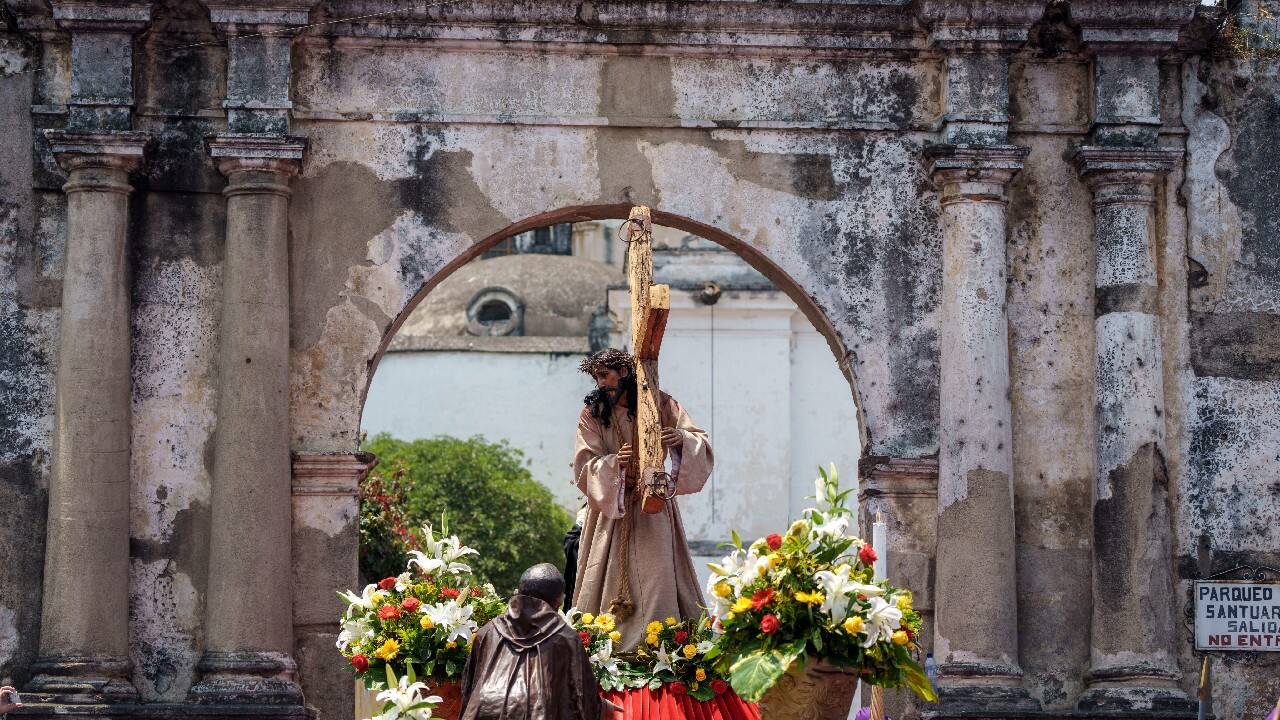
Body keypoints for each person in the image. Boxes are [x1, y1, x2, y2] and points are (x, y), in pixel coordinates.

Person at [572, 348, 713, 650]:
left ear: (624, 373)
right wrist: (613, 463)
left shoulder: (660, 403)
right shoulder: (593, 413)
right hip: (613, 508)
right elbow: (584, 464)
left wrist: (680, 440)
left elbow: (699, 440)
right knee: (606, 580)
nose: (600, 384)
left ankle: (664, 649)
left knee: (659, 578)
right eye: (596, 377)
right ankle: (602, 650)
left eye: (604, 375)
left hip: (654, 505)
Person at [458, 564, 603, 720]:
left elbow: (468, 688)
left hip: (484, 710)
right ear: (558, 602)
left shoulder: (487, 631)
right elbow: (584, 699)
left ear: (518, 593)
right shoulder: (567, 638)